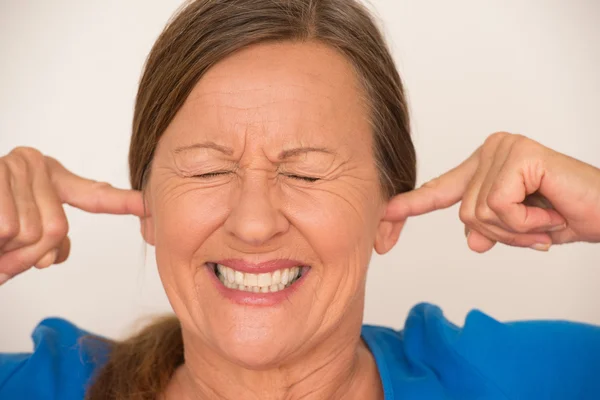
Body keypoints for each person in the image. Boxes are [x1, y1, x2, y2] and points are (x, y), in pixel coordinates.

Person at [1, 0, 599, 399]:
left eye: (307, 175)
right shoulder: (43, 384)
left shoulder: (526, 376)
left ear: (390, 215)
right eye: (209, 171)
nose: (255, 223)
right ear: (149, 205)